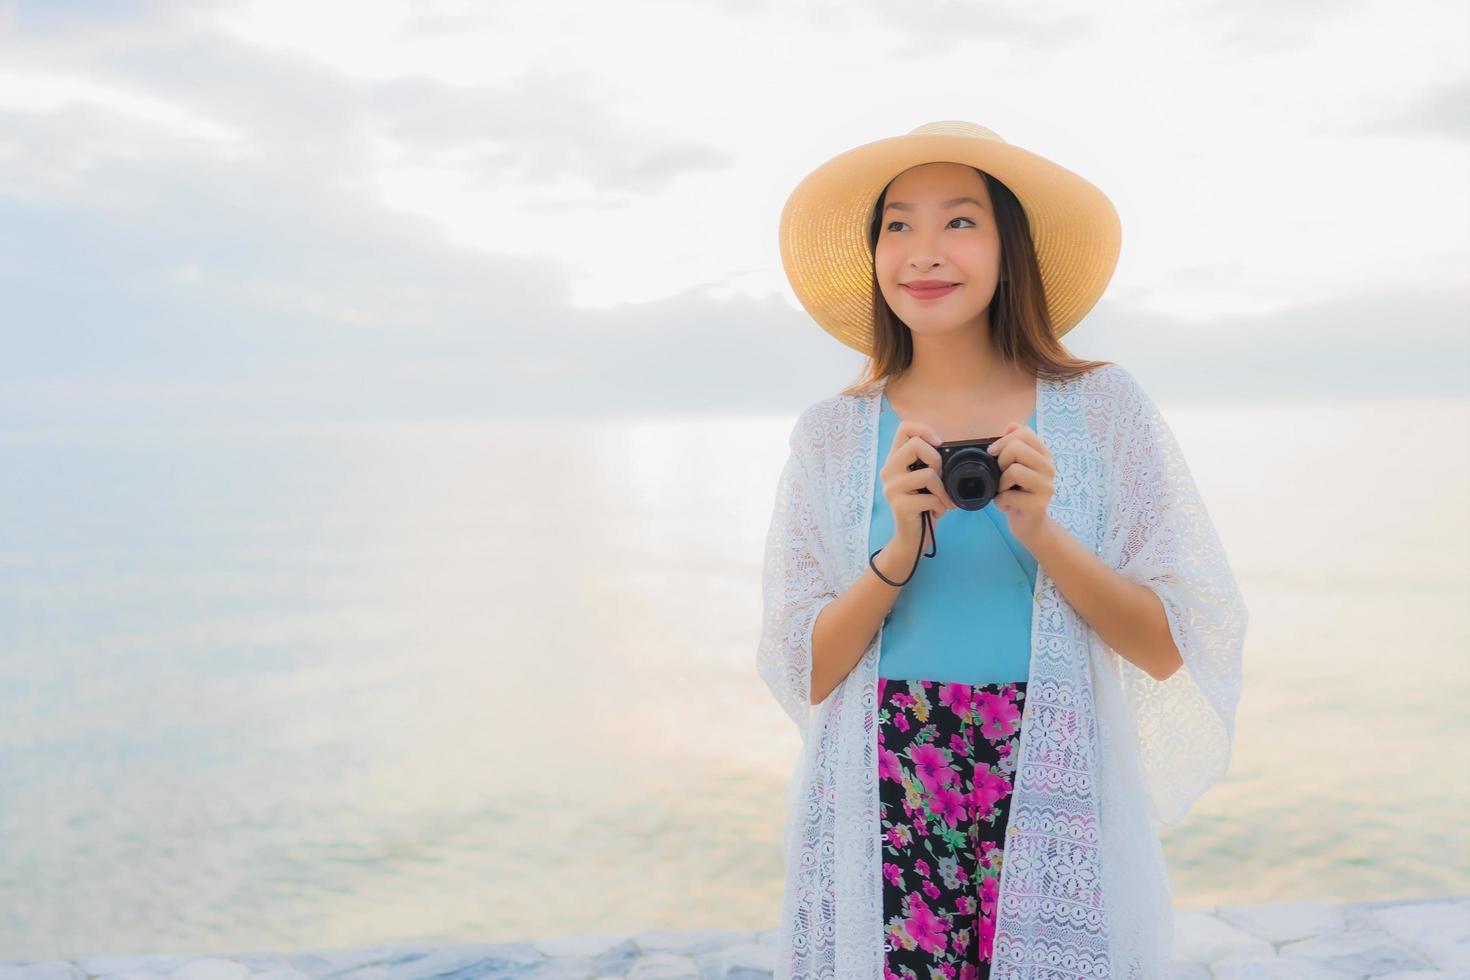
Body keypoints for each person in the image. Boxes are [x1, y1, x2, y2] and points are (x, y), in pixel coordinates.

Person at [757, 121, 1249, 980]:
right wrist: (899, 549)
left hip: (1051, 773)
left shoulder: (1099, 407)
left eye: (959, 222)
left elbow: (1171, 644)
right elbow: (802, 667)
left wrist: (1041, 530)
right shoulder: (834, 434)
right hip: (885, 780)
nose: (923, 252)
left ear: (1007, 247)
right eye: (897, 225)